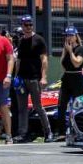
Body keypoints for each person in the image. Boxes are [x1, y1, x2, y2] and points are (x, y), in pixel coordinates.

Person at [12, 15, 53, 143]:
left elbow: (44, 59)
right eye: (26, 25)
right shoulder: (21, 41)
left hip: (34, 78)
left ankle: (48, 132)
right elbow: (18, 61)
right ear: (22, 26)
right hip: (22, 79)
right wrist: (16, 77)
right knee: (22, 108)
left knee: (38, 106)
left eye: (30, 25)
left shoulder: (39, 40)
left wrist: (44, 77)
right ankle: (22, 134)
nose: (29, 27)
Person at [55, 26, 83, 140]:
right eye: (67, 35)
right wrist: (66, 50)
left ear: (76, 36)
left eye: (71, 35)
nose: (69, 38)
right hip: (67, 77)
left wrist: (70, 51)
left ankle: (79, 130)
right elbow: (63, 63)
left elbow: (77, 63)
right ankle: (61, 132)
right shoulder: (66, 49)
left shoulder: (80, 49)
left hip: (77, 78)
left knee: (78, 105)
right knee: (61, 105)